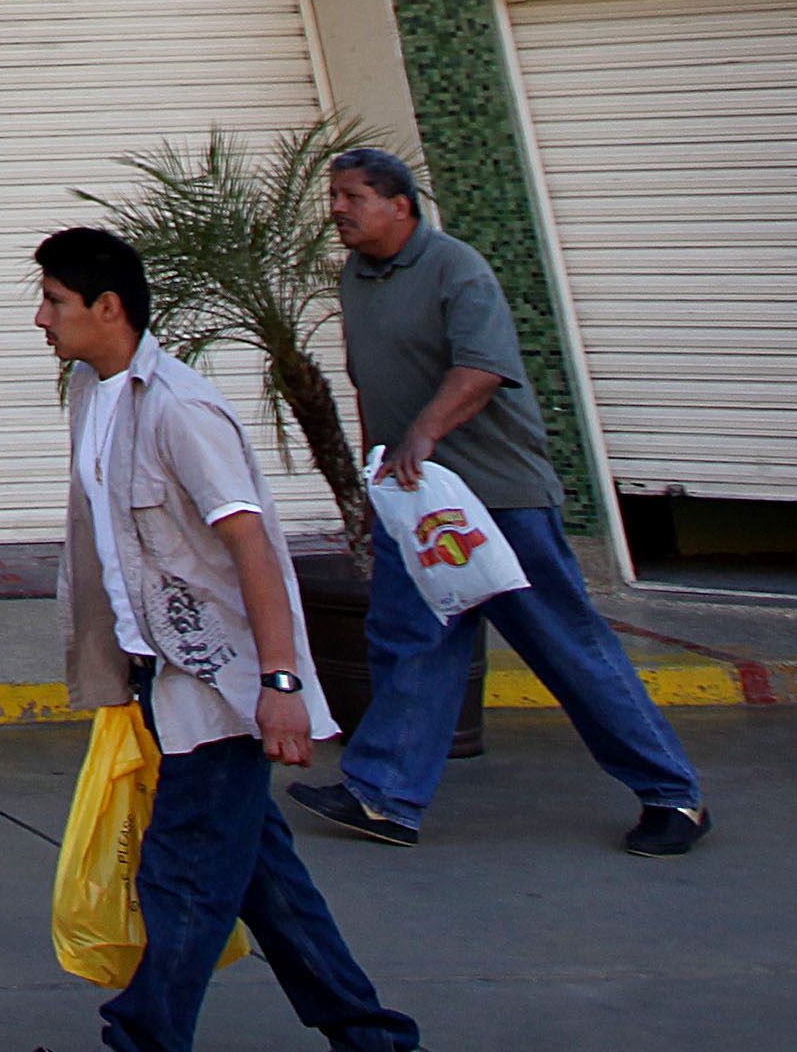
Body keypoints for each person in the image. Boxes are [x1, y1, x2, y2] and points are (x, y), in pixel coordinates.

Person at [37, 225, 415, 1052]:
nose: (40, 318)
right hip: (156, 674)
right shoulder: (88, 392)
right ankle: (370, 1034)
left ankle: (140, 1037)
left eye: (54, 300)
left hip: (220, 682)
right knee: (261, 875)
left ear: (108, 307)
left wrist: (278, 684)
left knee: (183, 873)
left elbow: (254, 548)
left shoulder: (180, 409)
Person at [297, 146, 709, 859]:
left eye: (351, 196)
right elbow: (373, 384)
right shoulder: (358, 277)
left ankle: (672, 794)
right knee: (411, 644)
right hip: (417, 502)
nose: (336, 208)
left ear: (400, 205)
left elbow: (482, 367)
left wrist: (423, 431)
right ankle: (382, 797)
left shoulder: (457, 268)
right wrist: (376, 485)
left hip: (497, 501)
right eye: (332, 195)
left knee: (564, 646)